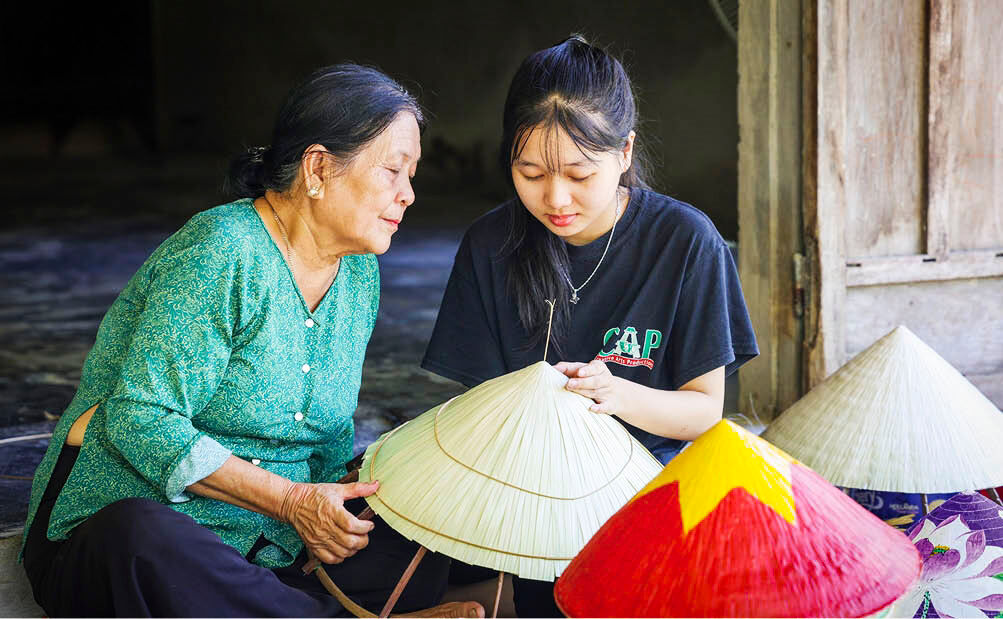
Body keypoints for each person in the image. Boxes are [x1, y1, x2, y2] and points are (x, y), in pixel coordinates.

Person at [21, 64, 482, 618]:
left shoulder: (358, 271)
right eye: (392, 171)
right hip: (143, 533)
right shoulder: (223, 251)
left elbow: (331, 435)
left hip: (272, 548)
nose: (408, 195)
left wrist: (334, 508)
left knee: (419, 504)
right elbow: (139, 420)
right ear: (317, 168)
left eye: (412, 175)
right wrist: (292, 502)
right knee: (139, 539)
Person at [421, 36, 759, 617]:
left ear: (624, 152)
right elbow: (479, 411)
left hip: (648, 494)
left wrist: (616, 394)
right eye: (529, 172)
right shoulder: (490, 244)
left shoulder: (685, 242)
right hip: (536, 502)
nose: (556, 199)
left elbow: (704, 411)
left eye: (579, 174)